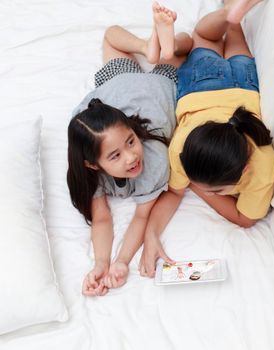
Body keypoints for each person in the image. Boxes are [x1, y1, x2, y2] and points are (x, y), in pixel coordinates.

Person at [139, 0, 274, 277]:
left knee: (221, 34)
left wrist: (201, 190)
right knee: (205, 38)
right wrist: (150, 235)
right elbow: (244, 217)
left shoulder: (259, 165)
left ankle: (229, 13)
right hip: (201, 89)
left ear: (245, 169)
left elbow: (245, 220)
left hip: (243, 86)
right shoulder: (184, 148)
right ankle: (229, 12)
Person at [67, 2, 192, 296]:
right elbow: (101, 218)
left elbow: (141, 216)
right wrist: (104, 264)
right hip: (115, 94)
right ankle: (154, 45)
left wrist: (123, 259)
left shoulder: (153, 161)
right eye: (115, 156)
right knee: (114, 39)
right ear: (92, 165)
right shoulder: (86, 152)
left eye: (131, 143)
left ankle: (156, 46)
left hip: (153, 87)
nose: (132, 156)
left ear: (133, 133)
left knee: (186, 46)